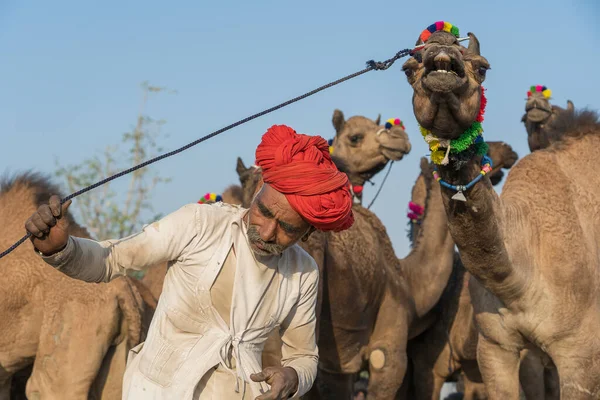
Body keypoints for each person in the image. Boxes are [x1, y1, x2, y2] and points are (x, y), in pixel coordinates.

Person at [25, 125, 354, 400]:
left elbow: (304, 356)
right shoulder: (199, 224)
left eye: (287, 228)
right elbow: (111, 259)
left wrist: (293, 377)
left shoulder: (303, 274)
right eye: (264, 211)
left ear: (309, 230)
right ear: (256, 191)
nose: (267, 231)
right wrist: (61, 250)